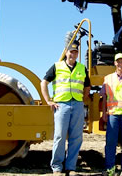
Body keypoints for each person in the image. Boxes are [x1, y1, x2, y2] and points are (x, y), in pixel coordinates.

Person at [40, 40, 90, 176]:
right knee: (60, 136)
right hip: (61, 105)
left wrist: (82, 100)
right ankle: (56, 167)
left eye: (75, 52)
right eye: (71, 51)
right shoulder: (57, 66)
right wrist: (48, 100)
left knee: (76, 137)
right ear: (66, 53)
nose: (73, 54)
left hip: (77, 105)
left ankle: (70, 167)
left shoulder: (82, 68)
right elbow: (43, 82)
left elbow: (87, 86)